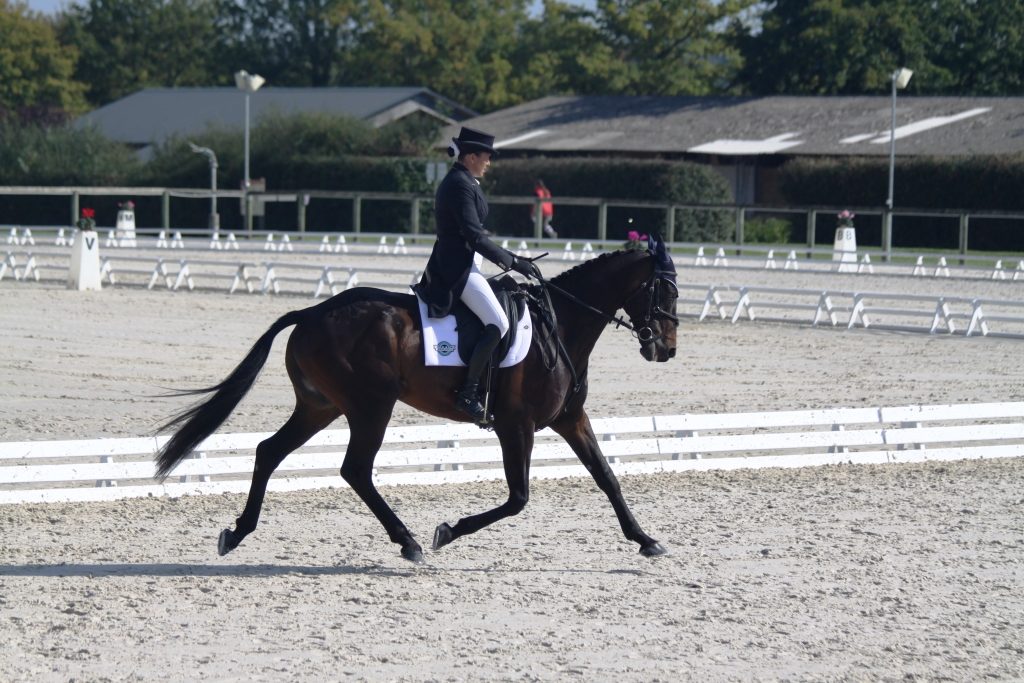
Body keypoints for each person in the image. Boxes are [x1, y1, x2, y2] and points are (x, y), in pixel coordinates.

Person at [413, 127, 541, 421]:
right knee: (498, 323)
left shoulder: (467, 181)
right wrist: (512, 261)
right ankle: (468, 393)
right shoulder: (459, 185)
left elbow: (476, 233)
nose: (489, 162)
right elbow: (473, 235)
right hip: (457, 269)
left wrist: (512, 257)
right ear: (471, 156)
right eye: (486, 157)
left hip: (469, 264)